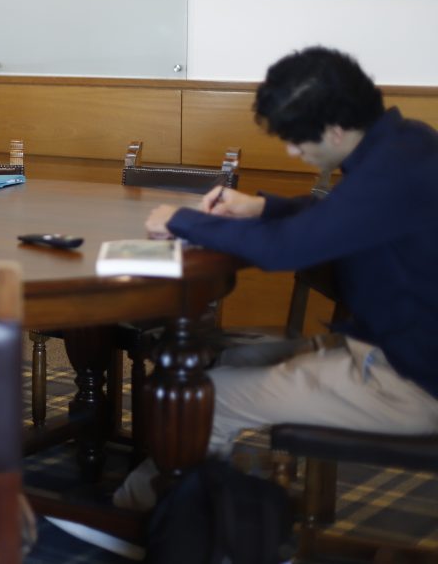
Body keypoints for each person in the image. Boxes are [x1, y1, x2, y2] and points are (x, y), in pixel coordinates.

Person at [115, 46, 438, 512]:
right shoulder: (407, 144)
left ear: (335, 129)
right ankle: (194, 506)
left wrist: (182, 219)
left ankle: (141, 520)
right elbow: (344, 217)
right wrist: (261, 207)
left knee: (205, 399)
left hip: (408, 382)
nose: (291, 151)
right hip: (395, 352)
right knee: (218, 363)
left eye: (296, 139)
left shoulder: (392, 171)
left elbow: (284, 250)